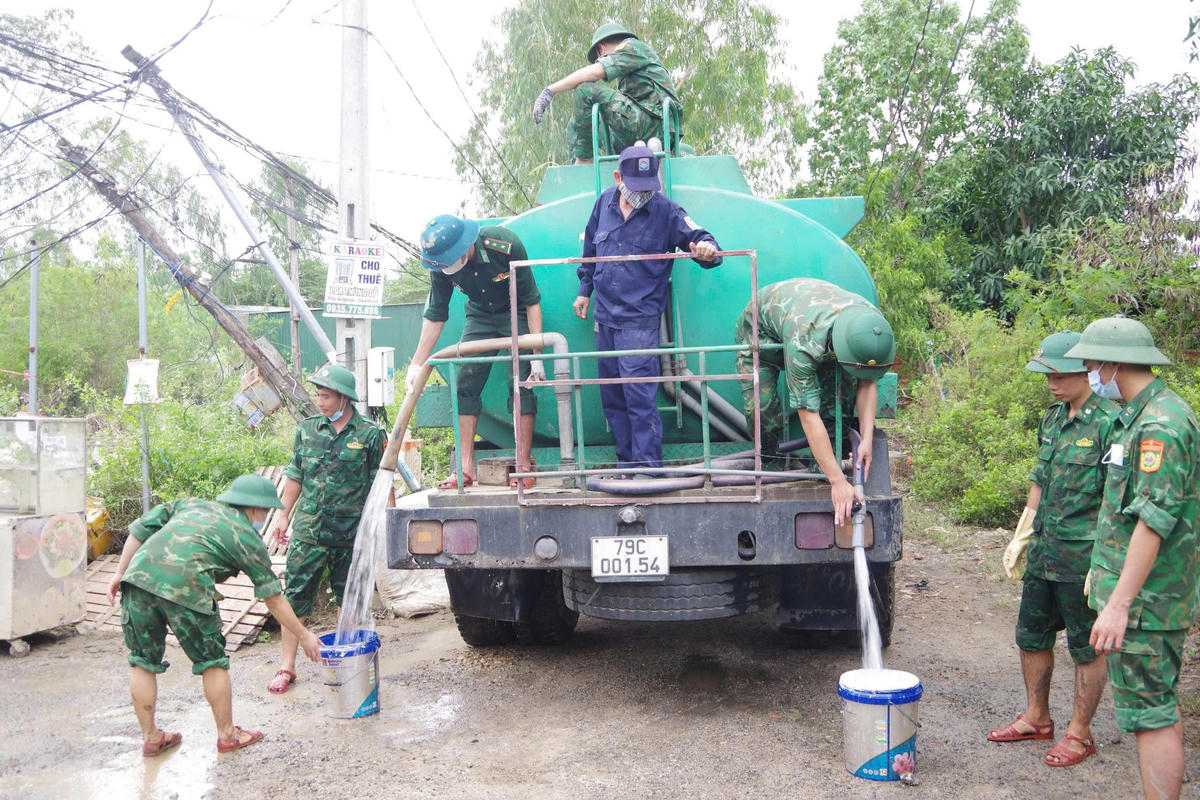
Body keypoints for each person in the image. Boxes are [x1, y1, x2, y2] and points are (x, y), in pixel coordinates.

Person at [1067, 317, 1199, 800]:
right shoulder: (1137, 417)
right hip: (1139, 596)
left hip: (1147, 603)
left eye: (1090, 364)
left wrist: (1119, 603)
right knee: (1153, 706)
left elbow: (1153, 521)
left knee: (1152, 715)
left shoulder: (1160, 425)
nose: (1088, 373)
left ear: (1113, 363)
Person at [106, 474, 322, 756]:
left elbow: (139, 530)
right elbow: (274, 598)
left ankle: (151, 737)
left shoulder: (190, 505)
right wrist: (304, 635)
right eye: (266, 511)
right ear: (256, 510)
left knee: (143, 663)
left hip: (137, 582)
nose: (264, 517)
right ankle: (228, 735)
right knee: (212, 662)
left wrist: (120, 572)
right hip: (187, 588)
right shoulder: (247, 539)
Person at [988, 332, 1118, 767]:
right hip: (1045, 549)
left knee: (1086, 646)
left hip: (1083, 555)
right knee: (1030, 635)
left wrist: (1107, 560)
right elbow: (1040, 476)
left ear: (1088, 371)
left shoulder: (1110, 424)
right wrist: (1024, 529)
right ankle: (1036, 717)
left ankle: (1080, 733)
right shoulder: (1053, 417)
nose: (1052, 384)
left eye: (1061, 375)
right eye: (1048, 375)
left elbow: (1117, 499)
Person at [574, 143, 721, 474]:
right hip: (604, 321)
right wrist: (584, 290)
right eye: (635, 187)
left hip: (639, 323)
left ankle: (649, 470)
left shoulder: (667, 211)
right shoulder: (603, 204)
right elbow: (589, 251)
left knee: (639, 399)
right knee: (612, 399)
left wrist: (707, 250)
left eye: (648, 187)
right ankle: (627, 465)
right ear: (617, 177)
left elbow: (704, 239)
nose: (642, 194)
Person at [267, 364, 391, 694]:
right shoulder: (308, 430)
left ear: (343, 398)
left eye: (325, 396)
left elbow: (381, 483)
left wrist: (386, 524)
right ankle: (286, 667)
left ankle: (346, 660)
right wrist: (283, 516)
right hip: (309, 531)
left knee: (350, 602)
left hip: (350, 535)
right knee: (295, 597)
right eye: (318, 396)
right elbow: (295, 475)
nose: (320, 402)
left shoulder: (370, 435)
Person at [732, 278, 894, 526]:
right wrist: (838, 482)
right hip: (761, 335)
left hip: (823, 331)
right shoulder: (803, 342)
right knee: (762, 405)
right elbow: (807, 413)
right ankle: (771, 459)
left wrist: (867, 438)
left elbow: (866, 380)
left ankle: (824, 465)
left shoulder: (871, 326)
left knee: (838, 397)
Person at [406, 214, 544, 489]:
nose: (448, 266)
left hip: (514, 311)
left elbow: (531, 302)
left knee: (521, 382)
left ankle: (524, 466)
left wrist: (537, 354)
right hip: (479, 316)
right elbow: (435, 316)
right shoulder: (440, 265)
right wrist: (416, 365)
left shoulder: (504, 245)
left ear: (467, 244)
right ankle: (464, 469)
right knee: (465, 384)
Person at [532, 22, 680, 163]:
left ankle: (585, 160)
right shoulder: (629, 72)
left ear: (601, 49)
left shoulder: (632, 46)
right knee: (575, 123)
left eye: (598, 58)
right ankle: (579, 172)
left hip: (657, 127)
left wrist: (550, 90)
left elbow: (595, 73)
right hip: (641, 125)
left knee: (585, 90)